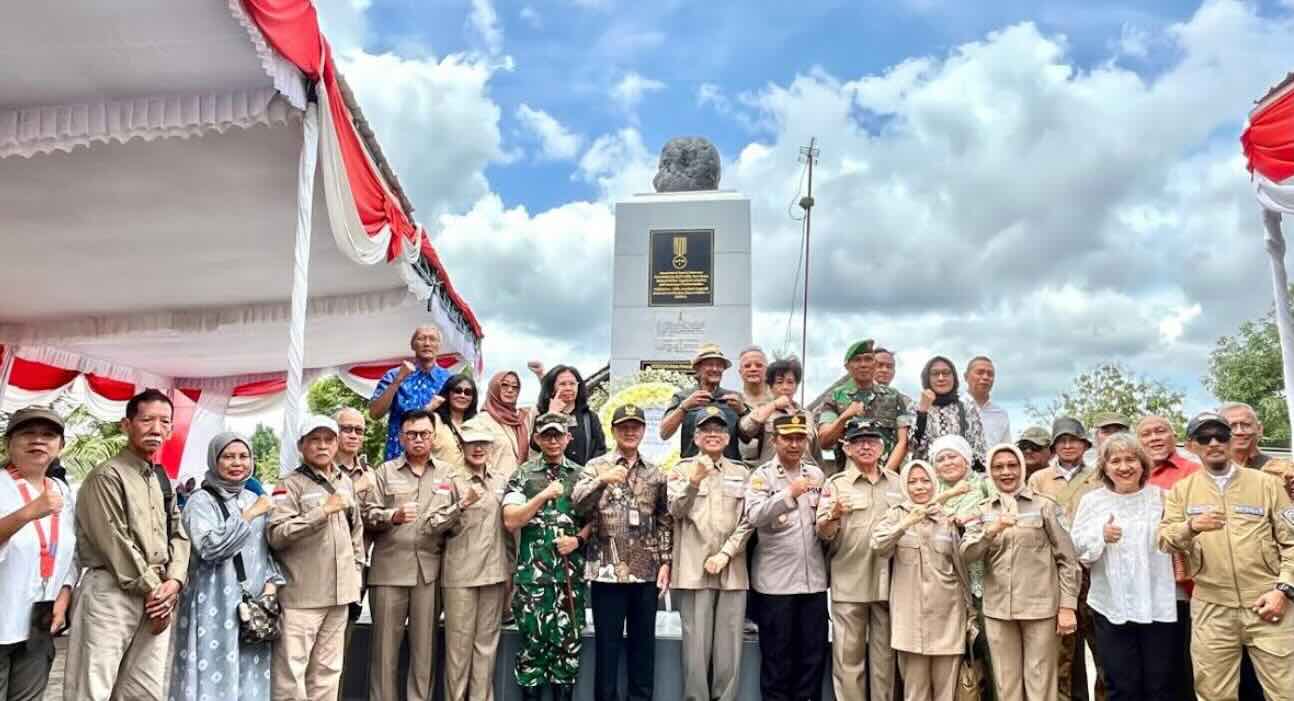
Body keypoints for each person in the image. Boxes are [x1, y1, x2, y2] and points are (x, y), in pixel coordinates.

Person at [1158, 411, 1294, 701]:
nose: (1214, 443)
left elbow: (1292, 543)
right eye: (1204, 438)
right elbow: (1165, 540)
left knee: (1286, 691)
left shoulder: (1267, 484)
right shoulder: (1182, 491)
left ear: (1231, 441)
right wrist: (1191, 526)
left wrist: (1283, 590)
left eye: (1221, 436)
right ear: (1191, 446)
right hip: (1212, 607)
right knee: (1214, 693)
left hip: (1267, 601)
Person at [65, 389, 191, 701]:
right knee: (92, 688)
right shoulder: (106, 476)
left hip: (157, 593)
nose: (156, 429)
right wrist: (156, 593)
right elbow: (114, 542)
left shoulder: (160, 478)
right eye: (147, 420)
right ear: (126, 425)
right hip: (112, 592)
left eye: (165, 422)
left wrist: (174, 581)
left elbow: (179, 533)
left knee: (144, 691)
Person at [170, 433, 285, 701]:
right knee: (211, 672)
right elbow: (210, 549)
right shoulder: (200, 502)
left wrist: (270, 589)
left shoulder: (254, 498)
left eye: (243, 456)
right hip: (212, 604)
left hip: (252, 609)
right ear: (214, 460)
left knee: (249, 677)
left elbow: (266, 551)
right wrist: (250, 515)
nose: (237, 463)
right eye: (228, 457)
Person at [962, 443, 1081, 701]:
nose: (1006, 472)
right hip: (998, 610)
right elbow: (967, 554)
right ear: (990, 472)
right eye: (998, 467)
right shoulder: (983, 510)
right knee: (1006, 684)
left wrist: (1067, 606)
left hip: (1040, 609)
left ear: (1022, 468)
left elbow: (1068, 559)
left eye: (1012, 465)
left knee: (1040, 683)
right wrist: (991, 530)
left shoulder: (1045, 506)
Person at [573, 404, 673, 701]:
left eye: (635, 426)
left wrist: (665, 561)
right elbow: (578, 504)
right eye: (624, 427)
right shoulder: (596, 466)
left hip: (645, 571)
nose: (630, 432)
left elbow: (664, 519)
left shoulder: (655, 472)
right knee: (607, 647)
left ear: (643, 430)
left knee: (643, 648)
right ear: (613, 430)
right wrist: (602, 480)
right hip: (607, 571)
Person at [1068, 433, 1176, 701]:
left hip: (1156, 602)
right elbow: (1075, 546)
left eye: (1131, 459)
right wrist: (1100, 535)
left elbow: (1178, 539)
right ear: (1104, 467)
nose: (1124, 467)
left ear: (1143, 464)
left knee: (1160, 684)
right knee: (1121, 684)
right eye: (1115, 461)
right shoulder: (1093, 501)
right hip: (1111, 604)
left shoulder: (1162, 498)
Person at [267, 415, 364, 701]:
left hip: (340, 596)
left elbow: (356, 532)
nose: (322, 446)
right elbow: (277, 534)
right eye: (315, 440)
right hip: (302, 596)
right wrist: (322, 512)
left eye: (328, 439)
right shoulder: (289, 485)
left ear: (337, 444)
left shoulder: (345, 482)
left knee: (328, 672)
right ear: (301, 445)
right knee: (291, 674)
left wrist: (356, 572)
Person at [360, 409, 454, 701]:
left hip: (429, 572)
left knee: (424, 652)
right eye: (411, 434)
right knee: (384, 652)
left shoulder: (448, 474)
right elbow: (366, 513)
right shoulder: (384, 472)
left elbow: (457, 516)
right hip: (389, 571)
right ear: (401, 438)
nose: (418, 439)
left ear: (433, 437)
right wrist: (392, 516)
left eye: (424, 434)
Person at [501, 412, 589, 701]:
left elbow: (597, 519)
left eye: (558, 435)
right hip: (533, 580)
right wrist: (542, 496)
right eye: (547, 435)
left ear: (568, 438)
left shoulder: (581, 475)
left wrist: (577, 539)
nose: (553, 441)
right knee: (533, 650)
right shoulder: (523, 475)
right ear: (537, 439)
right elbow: (511, 520)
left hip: (569, 578)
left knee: (568, 651)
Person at [668, 407, 754, 701]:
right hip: (694, 571)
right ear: (695, 437)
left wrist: (726, 554)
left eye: (719, 429)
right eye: (706, 429)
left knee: (729, 653)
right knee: (695, 653)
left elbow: (749, 520)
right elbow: (674, 510)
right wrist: (694, 481)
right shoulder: (681, 470)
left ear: (728, 438)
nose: (713, 434)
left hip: (732, 569)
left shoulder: (742, 472)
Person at [871, 460, 975, 701]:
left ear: (934, 483)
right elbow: (878, 546)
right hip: (910, 620)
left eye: (925, 480)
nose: (919, 486)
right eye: (912, 481)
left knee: (946, 691)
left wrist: (969, 610)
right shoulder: (895, 515)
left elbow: (961, 568)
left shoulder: (948, 518)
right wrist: (906, 523)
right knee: (915, 692)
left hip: (948, 616)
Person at [817, 419, 904, 701]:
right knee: (848, 660)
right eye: (858, 441)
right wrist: (833, 515)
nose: (866, 446)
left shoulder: (898, 483)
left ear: (883, 447)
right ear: (847, 448)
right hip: (849, 579)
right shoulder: (836, 484)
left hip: (888, 581)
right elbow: (823, 533)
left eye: (872, 441)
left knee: (885, 660)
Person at [745, 413, 830, 701]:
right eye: (788, 438)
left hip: (813, 582)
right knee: (777, 663)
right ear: (774, 441)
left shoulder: (816, 475)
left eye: (800, 438)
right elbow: (754, 516)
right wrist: (788, 495)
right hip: (776, 585)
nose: (795, 444)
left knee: (812, 660)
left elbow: (824, 521)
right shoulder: (762, 476)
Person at [426, 419, 511, 701]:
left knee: (486, 648)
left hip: (494, 574)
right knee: (458, 650)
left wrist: (511, 570)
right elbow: (432, 524)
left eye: (483, 443)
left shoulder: (501, 480)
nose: (478, 448)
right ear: (462, 446)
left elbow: (510, 529)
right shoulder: (449, 479)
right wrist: (461, 504)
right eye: (472, 443)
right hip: (460, 576)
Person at [0, 407, 76, 701]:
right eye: (28, 433)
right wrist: (28, 512)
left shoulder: (62, 491)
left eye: (48, 435)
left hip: (38, 622)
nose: (38, 440)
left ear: (60, 445)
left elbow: (71, 552)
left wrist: (64, 594)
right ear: (9, 443)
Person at [1027, 417, 1104, 701]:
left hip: (1094, 569)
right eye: (1062, 441)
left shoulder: (1100, 476)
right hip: (1057, 571)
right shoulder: (1039, 479)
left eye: (1074, 440)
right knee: (1062, 653)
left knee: (1102, 649)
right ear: (1053, 447)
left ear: (1085, 444)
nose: (1068, 445)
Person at [1135, 414, 1198, 701]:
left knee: (1181, 667)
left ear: (1174, 436)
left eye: (1160, 431)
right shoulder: (1130, 474)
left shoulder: (1193, 472)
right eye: (1146, 434)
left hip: (1181, 587)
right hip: (1140, 586)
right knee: (1150, 671)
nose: (1154, 438)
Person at [817, 339, 912, 475]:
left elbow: (903, 442)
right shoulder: (836, 397)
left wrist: (884, 475)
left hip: (888, 476)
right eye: (857, 360)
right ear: (847, 366)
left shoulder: (893, 396)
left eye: (868, 359)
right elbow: (824, 441)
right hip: (849, 477)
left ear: (874, 364)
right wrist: (844, 417)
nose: (863, 364)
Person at [333, 406, 375, 695]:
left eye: (358, 430)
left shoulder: (371, 474)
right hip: (318, 570)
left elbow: (375, 517)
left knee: (341, 648)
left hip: (355, 569)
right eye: (346, 428)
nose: (352, 435)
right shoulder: (317, 469)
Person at [369, 325, 453, 459]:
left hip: (436, 459)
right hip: (398, 457)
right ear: (412, 345)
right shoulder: (394, 375)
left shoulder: (449, 380)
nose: (427, 343)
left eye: (432, 339)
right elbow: (374, 413)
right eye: (421, 338)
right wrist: (397, 381)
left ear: (439, 346)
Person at [661, 343, 747, 462]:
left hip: (728, 468)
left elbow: (749, 438)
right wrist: (684, 407)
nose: (715, 369)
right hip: (692, 467)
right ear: (697, 368)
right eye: (710, 364)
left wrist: (742, 411)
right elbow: (664, 433)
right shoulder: (683, 397)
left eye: (719, 365)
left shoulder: (735, 398)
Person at [739, 357, 821, 466]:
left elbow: (816, 453)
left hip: (803, 473)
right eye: (779, 382)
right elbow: (745, 430)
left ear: (796, 386)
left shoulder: (807, 416)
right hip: (772, 473)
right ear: (771, 386)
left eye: (790, 382)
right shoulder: (763, 411)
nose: (785, 387)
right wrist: (774, 405)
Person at [910, 356, 988, 465]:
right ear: (927, 378)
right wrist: (922, 413)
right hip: (927, 473)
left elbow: (979, 451)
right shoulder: (915, 408)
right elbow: (911, 447)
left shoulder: (967, 408)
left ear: (954, 377)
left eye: (946, 373)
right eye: (935, 374)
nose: (941, 378)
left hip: (961, 473)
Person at [534, 364, 608, 466]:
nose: (568, 388)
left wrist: (589, 471)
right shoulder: (541, 417)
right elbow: (536, 446)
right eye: (562, 384)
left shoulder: (590, 417)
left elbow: (600, 450)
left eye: (572, 384)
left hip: (585, 473)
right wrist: (552, 415)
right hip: (552, 474)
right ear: (552, 388)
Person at [478, 370, 532, 476]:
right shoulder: (481, 421)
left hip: (523, 483)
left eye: (515, 387)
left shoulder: (522, 419)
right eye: (504, 385)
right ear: (494, 387)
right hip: (494, 483)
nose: (510, 390)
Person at [430, 374, 480, 468]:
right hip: (439, 476)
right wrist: (429, 407)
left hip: (468, 476)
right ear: (448, 393)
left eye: (468, 392)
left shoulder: (476, 424)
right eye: (457, 391)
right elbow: (413, 427)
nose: (462, 395)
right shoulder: (434, 419)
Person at [966, 356, 1011, 447]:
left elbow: (1005, 448)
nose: (985, 377)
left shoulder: (1001, 415)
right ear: (966, 377)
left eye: (990, 374)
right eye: (980, 372)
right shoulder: (953, 408)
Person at [1220, 402, 1272, 469]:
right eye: (1232, 426)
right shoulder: (1209, 468)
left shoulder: (1276, 469)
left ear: (1259, 429)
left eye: (1246, 425)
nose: (1239, 432)